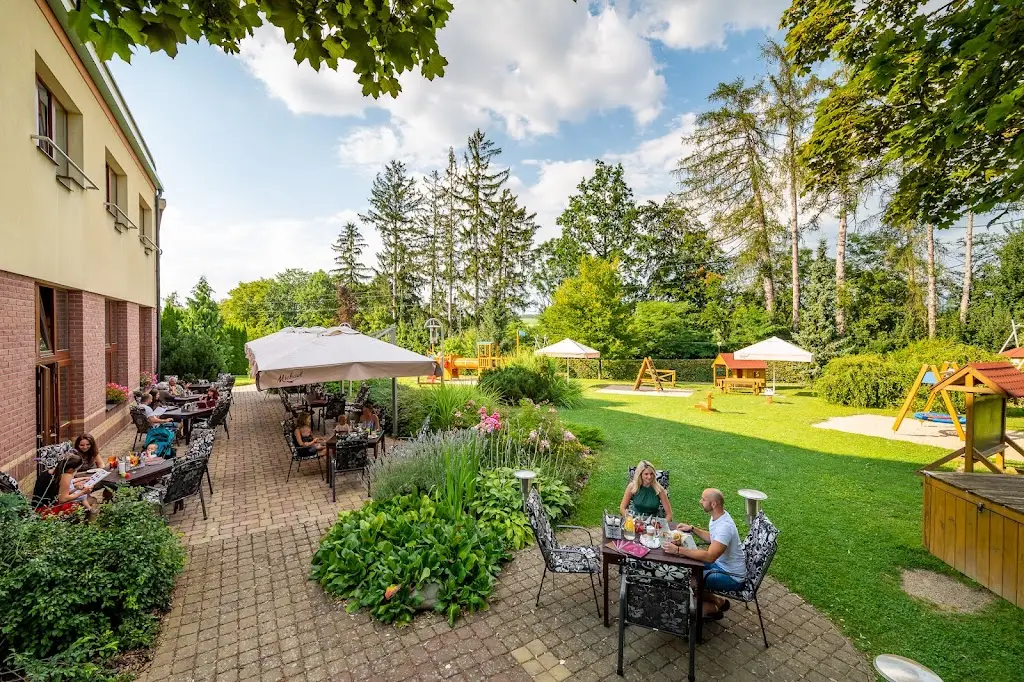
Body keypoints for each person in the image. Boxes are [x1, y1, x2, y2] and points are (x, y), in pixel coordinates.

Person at [675, 488, 747, 620]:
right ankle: (719, 601)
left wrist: (679, 550)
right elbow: (713, 538)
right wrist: (692, 529)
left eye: (703, 499)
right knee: (686, 569)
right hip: (720, 564)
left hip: (732, 576)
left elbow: (710, 556)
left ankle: (709, 609)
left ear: (714, 504)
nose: (700, 501)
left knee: (689, 581)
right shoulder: (718, 517)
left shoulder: (725, 527)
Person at [32, 454, 97, 517]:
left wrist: (76, 488)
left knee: (87, 501)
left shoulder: (48, 472)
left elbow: (59, 494)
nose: (76, 471)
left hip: (37, 508)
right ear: (70, 470)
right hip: (47, 510)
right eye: (77, 469)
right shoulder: (66, 476)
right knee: (90, 501)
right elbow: (63, 499)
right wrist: (83, 492)